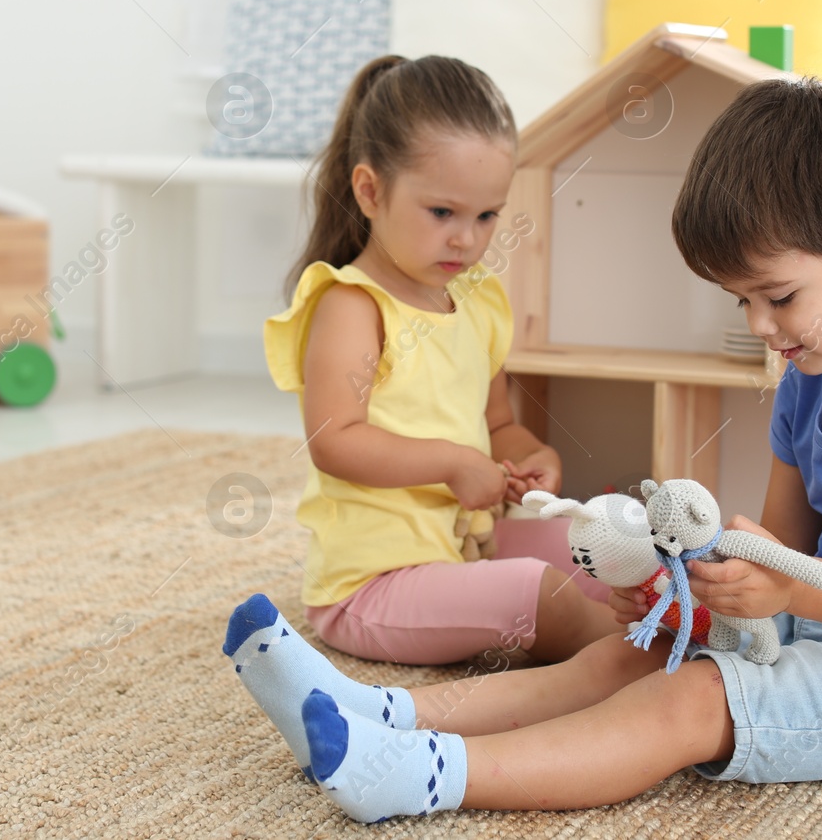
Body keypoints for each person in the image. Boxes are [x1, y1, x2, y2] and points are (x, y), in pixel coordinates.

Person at [226, 75, 822, 820]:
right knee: (632, 651)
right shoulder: (813, 377)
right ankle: (375, 713)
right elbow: (780, 556)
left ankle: (420, 774)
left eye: (777, 295)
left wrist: (788, 590)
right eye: (742, 301)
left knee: (691, 697)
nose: (759, 327)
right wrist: (692, 587)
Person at [259, 54, 617, 686]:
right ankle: (642, 659)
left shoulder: (477, 299)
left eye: (487, 216)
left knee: (604, 547)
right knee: (543, 597)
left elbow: (497, 423)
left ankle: (663, 618)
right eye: (442, 213)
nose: (467, 240)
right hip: (374, 584)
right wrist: (452, 464)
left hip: (465, 546)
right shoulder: (352, 304)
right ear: (370, 191)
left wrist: (531, 454)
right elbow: (333, 441)